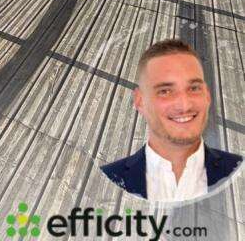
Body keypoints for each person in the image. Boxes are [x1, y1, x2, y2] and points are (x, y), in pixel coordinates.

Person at [101, 39, 241, 201]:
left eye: (194, 88)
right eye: (165, 91)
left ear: (207, 96)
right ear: (140, 101)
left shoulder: (238, 170)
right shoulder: (107, 179)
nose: (184, 105)